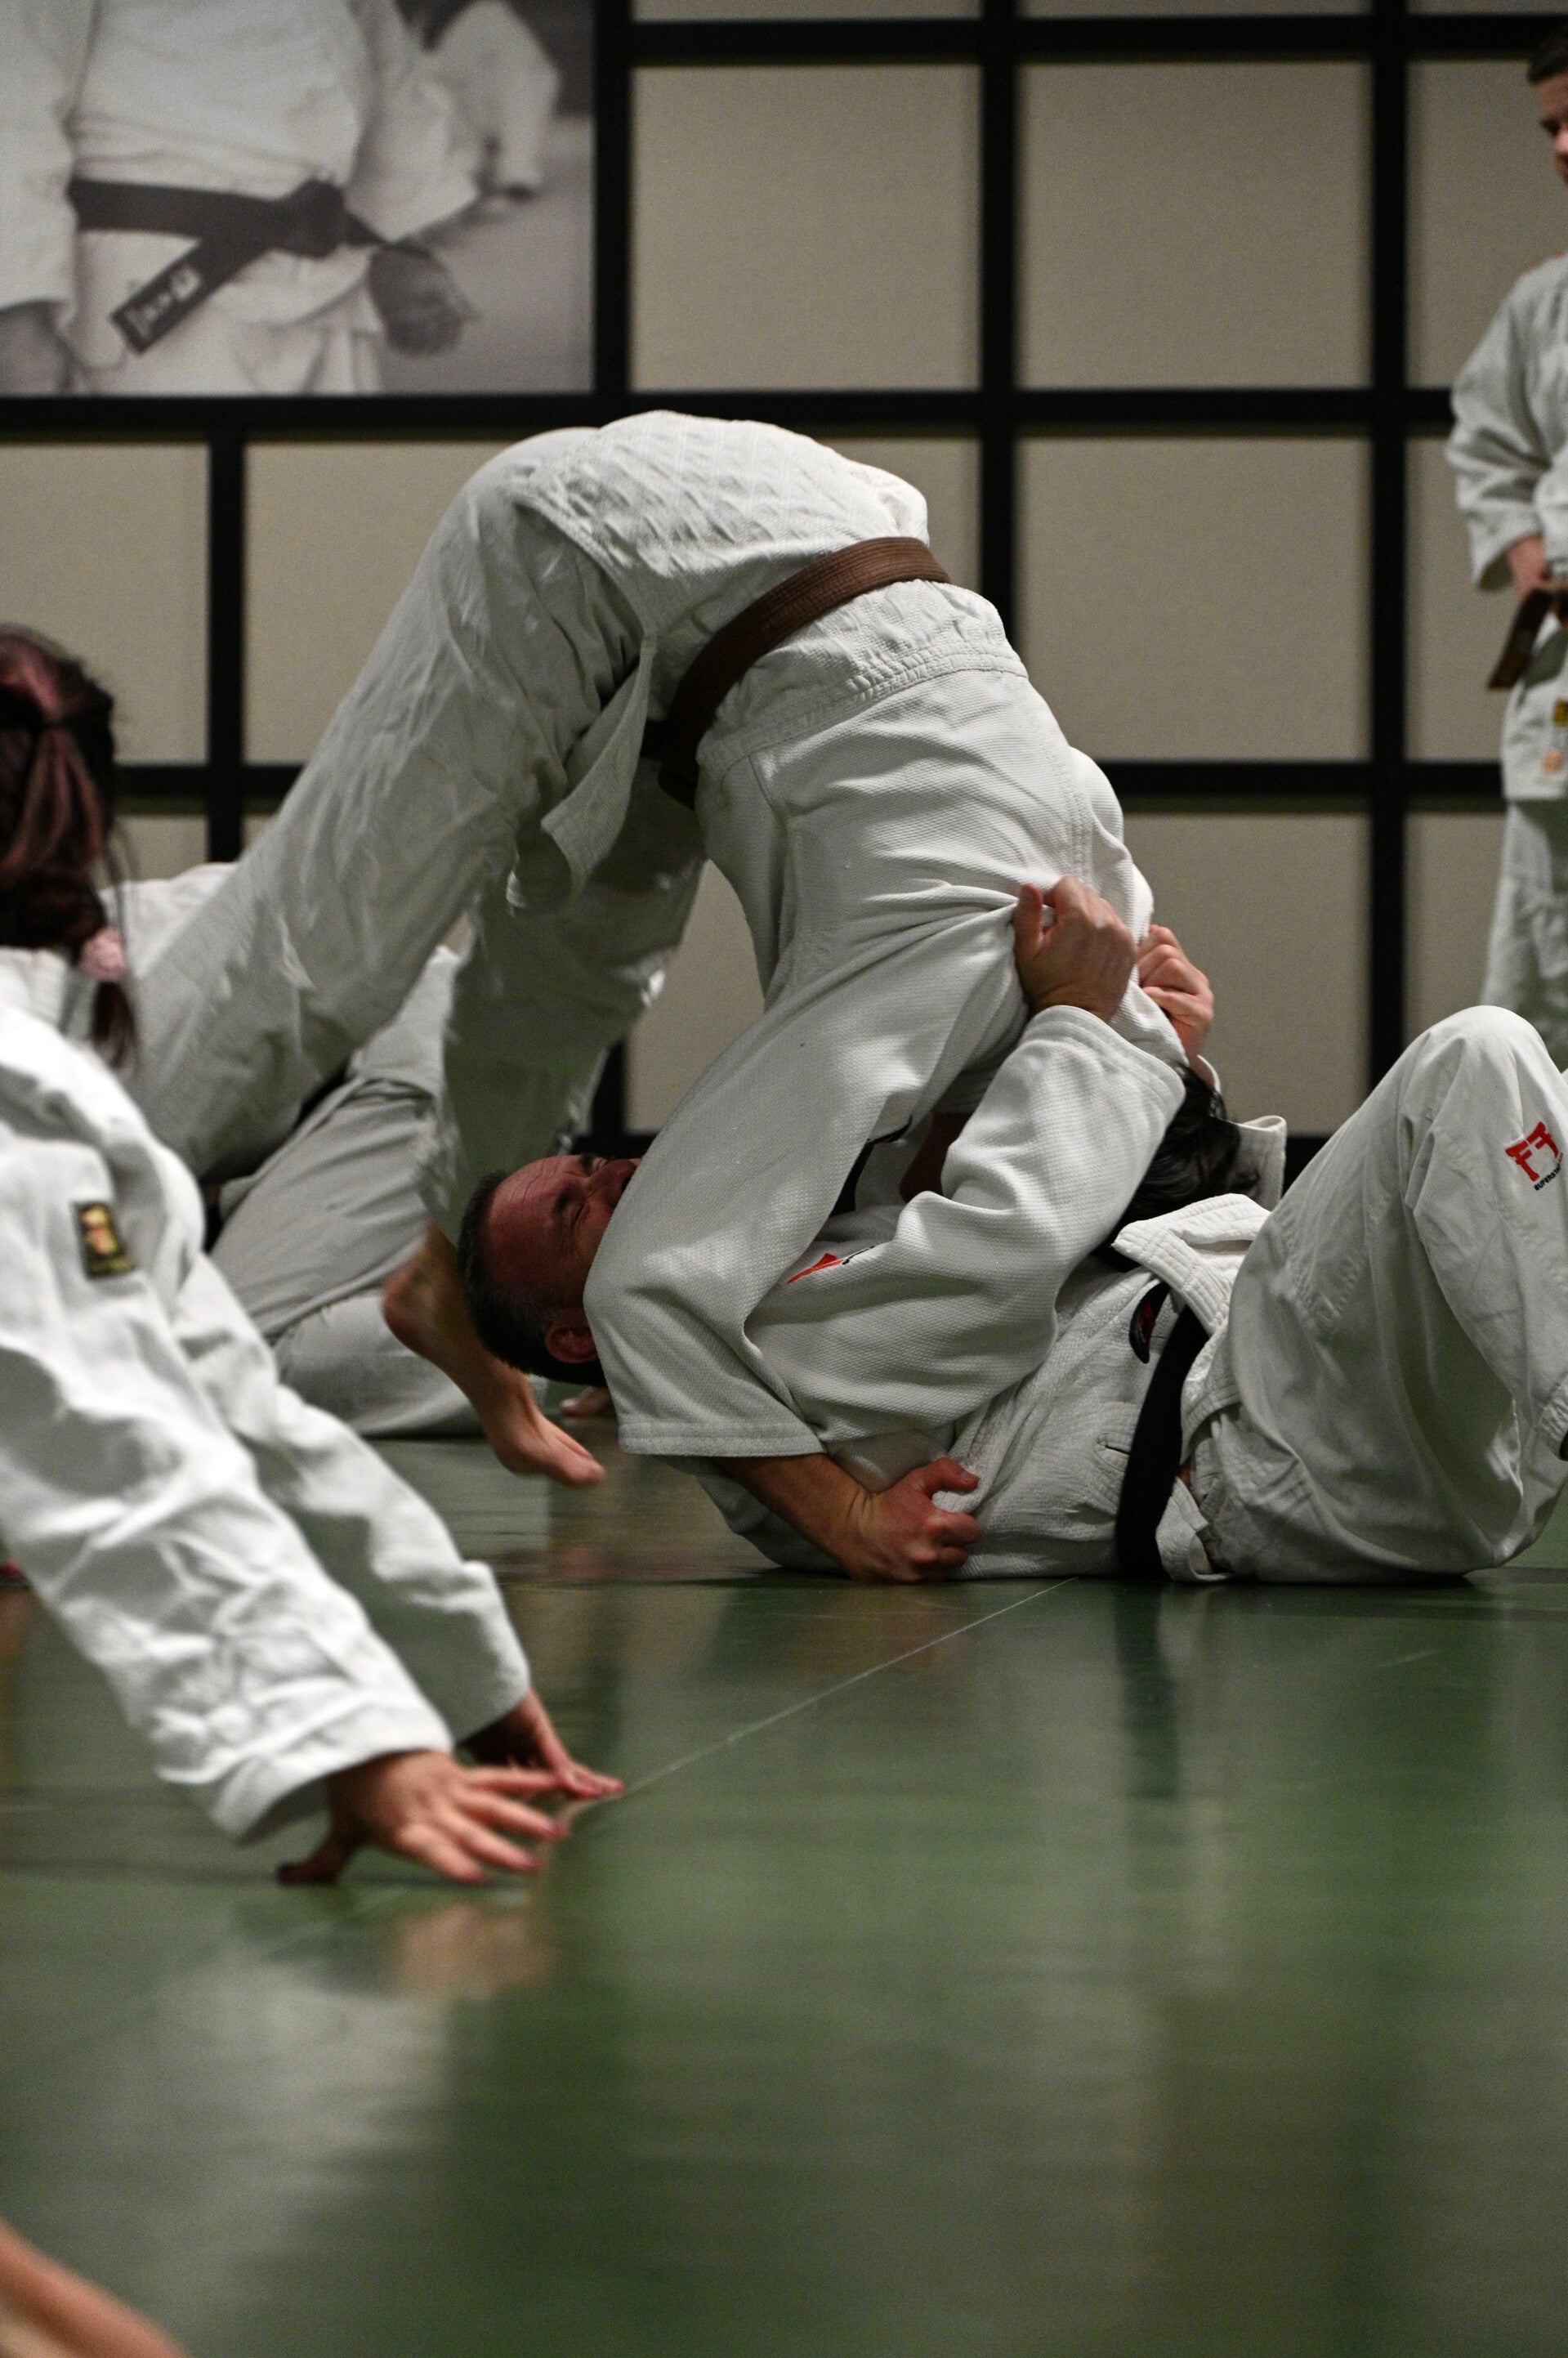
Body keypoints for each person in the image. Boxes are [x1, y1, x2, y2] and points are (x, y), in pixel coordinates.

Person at [127, 413, 1195, 1511]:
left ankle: (441, 1265)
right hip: (616, 553)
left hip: (765, 573)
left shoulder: (1094, 963)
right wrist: (841, 1516)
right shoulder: (943, 980)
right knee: (315, 957)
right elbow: (648, 1289)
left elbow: (987, 1178)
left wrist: (1152, 1044)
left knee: (584, 961)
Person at [457, 873, 1568, 1585]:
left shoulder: (799, 1254)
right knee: (1469, 1062)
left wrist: (1156, 1057)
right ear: (575, 1333)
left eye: (594, 1163)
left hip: (1320, 1396)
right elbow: (1004, 1237)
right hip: (1252, 1440)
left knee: (1528, 1098)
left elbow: (1109, 1213)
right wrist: (1087, 1026)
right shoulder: (759, 1364)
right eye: (574, 1207)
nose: (614, 1178)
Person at [0, 628, 619, 1882]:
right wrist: (351, 1739)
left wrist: (450, 1668)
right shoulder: (41, 1098)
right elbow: (132, 1461)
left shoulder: (65, 1087)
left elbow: (212, 1402)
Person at [0, 0, 476, 396]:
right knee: (172, 498)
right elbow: (13, 97)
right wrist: (18, 309)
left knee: (334, 498)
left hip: (326, 285)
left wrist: (395, 242)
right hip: (158, 291)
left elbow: (377, 67)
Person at [1447, 20, 1568, 1067]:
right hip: (1563, 667)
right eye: (1551, 128)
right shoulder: (1545, 302)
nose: (1563, 147)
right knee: (1547, 943)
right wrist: (1527, 551)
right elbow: (1486, 440)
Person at [402, 0, 561, 200]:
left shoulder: (491, 18)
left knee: (517, 76)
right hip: (457, 128)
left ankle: (509, 169)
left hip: (493, 125)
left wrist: (516, 164)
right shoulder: (418, 24)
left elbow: (527, 83)